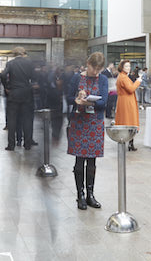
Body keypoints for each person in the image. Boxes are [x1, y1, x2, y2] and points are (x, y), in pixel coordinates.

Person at [67, 52, 109, 210]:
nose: (96, 72)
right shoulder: (76, 78)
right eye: (93, 68)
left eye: (99, 69)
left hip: (94, 123)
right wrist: (77, 99)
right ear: (88, 64)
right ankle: (80, 194)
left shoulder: (103, 79)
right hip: (79, 122)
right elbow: (68, 97)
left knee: (92, 160)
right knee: (79, 160)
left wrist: (90, 103)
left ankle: (90, 194)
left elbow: (104, 102)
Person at [2, 47, 35, 151]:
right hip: (26, 93)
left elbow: (3, 75)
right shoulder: (29, 63)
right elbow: (34, 76)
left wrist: (7, 86)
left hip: (14, 93)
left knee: (12, 119)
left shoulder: (10, 63)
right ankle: (27, 144)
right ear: (22, 53)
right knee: (27, 119)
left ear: (14, 54)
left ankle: (11, 144)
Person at [115, 60, 141, 151]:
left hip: (124, 100)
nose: (128, 68)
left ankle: (129, 142)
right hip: (127, 101)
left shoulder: (122, 76)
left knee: (126, 120)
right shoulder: (123, 77)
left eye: (129, 66)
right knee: (129, 121)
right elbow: (131, 89)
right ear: (122, 67)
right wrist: (138, 81)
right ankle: (129, 142)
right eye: (126, 66)